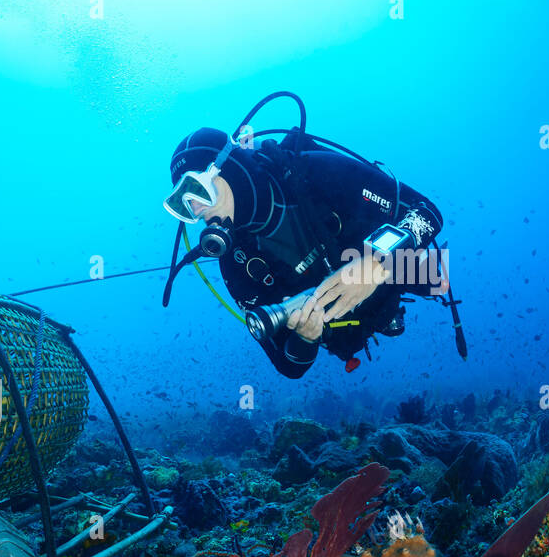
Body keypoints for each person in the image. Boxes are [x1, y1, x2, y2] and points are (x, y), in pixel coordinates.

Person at [161, 92, 454, 378]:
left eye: (197, 189)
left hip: (386, 272)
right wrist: (305, 337)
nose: (196, 209)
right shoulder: (236, 263)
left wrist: (377, 265)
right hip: (348, 329)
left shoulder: (312, 172)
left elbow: (426, 211)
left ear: (228, 168)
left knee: (434, 277)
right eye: (183, 204)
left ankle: (407, 279)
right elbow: (289, 366)